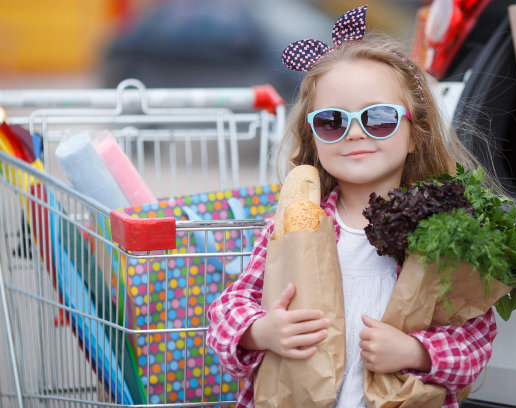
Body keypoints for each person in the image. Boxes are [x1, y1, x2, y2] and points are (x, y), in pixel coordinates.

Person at [206, 6, 497, 408]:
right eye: (332, 121)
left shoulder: (440, 233)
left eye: (378, 119)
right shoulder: (294, 223)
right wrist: (261, 330)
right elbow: (227, 309)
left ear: (416, 134)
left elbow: (475, 337)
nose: (355, 133)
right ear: (313, 136)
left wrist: (417, 352)